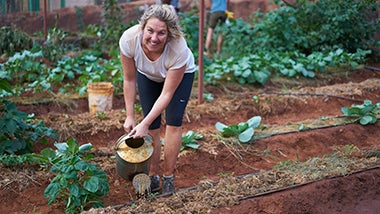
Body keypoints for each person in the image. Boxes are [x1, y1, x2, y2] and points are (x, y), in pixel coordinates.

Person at [119, 4, 195, 195]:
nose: (154, 38)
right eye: (150, 31)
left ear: (169, 35)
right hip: (147, 75)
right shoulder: (129, 40)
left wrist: (143, 123)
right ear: (142, 28)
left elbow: (167, 94)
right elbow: (129, 79)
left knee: (173, 122)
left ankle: (168, 177)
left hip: (180, 75)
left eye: (161, 33)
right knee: (151, 126)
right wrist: (130, 116)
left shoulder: (178, 49)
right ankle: (152, 175)